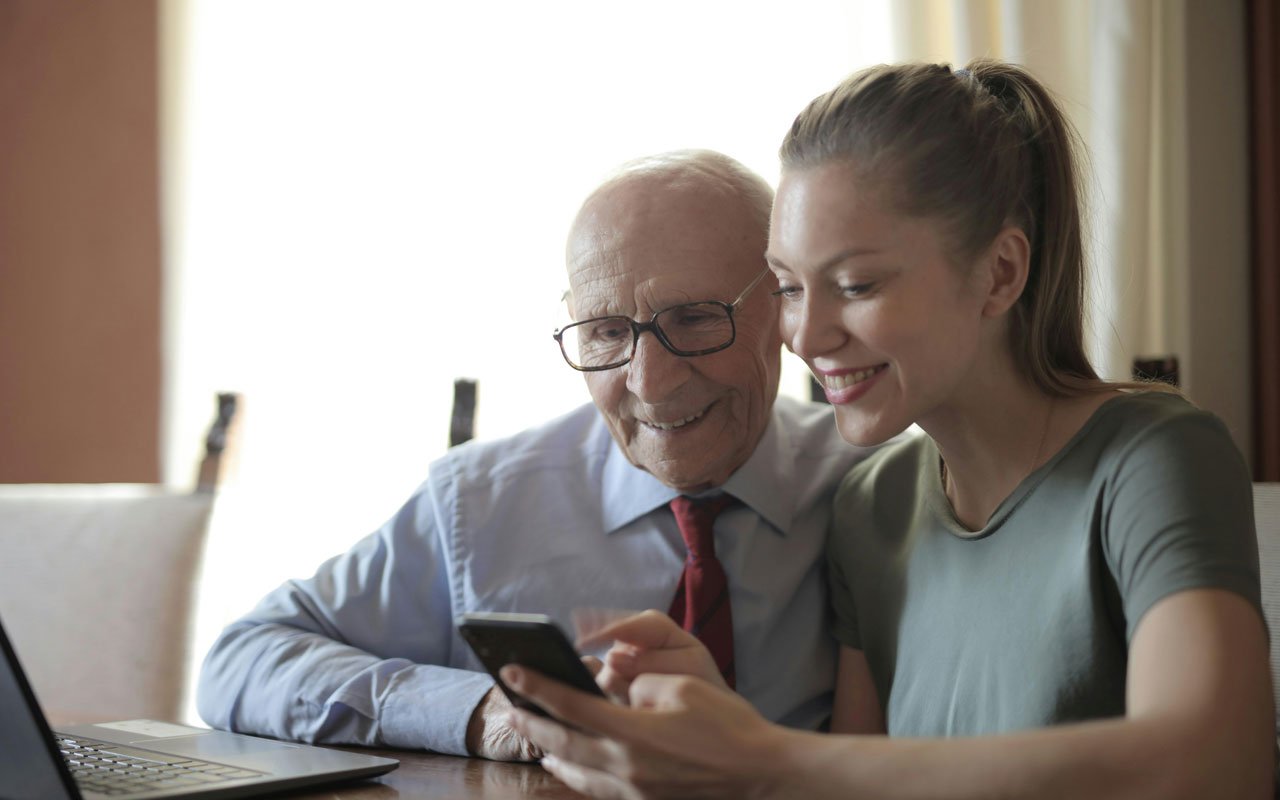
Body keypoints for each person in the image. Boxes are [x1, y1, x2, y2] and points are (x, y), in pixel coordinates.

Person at [504, 60, 1275, 798]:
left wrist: (762, 757)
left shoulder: (1153, 457)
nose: (805, 337)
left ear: (1001, 273)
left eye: (855, 285)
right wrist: (725, 734)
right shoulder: (873, 503)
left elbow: (1216, 769)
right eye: (789, 289)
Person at [196, 149, 877, 761]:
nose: (649, 382)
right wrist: (478, 711)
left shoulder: (879, 491)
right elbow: (241, 660)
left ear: (785, 305)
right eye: (607, 332)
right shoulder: (481, 503)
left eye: (695, 319)